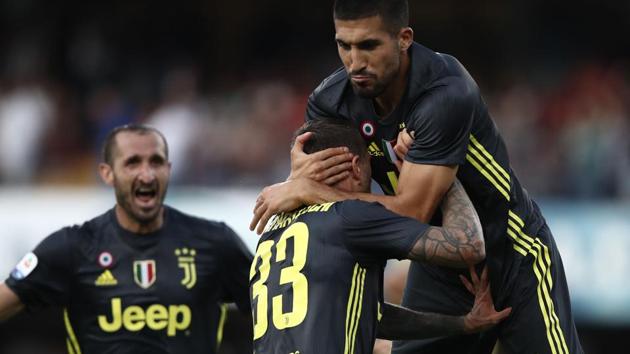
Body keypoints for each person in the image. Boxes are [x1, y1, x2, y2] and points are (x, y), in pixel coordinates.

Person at [250, 1, 583, 353]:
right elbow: (324, 188)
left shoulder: (444, 93)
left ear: (404, 38)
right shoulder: (331, 101)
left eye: (368, 45)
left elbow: (412, 211)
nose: (354, 62)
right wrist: (299, 177)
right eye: (344, 45)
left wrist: (307, 189)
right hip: (435, 260)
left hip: (510, 252)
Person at [250, 119, 510, 354]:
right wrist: (438, 170)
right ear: (356, 167)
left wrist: (463, 323)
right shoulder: (350, 216)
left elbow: (366, 312)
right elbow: (467, 245)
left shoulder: (272, 234)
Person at [0, 124, 253, 354]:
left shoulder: (215, 242)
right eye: (133, 163)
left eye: (156, 162)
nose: (147, 175)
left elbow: (278, 310)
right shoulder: (73, 247)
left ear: (169, 169)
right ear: (107, 174)